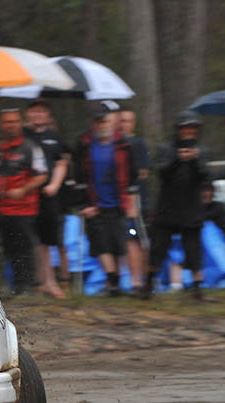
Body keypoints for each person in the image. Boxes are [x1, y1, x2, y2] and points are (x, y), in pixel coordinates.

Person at [0, 108, 47, 295]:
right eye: (7, 122)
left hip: (24, 208)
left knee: (24, 247)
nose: (11, 126)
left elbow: (41, 176)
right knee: (8, 249)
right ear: (2, 125)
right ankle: (14, 286)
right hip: (3, 208)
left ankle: (28, 286)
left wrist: (23, 189)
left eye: (15, 121)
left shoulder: (30, 147)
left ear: (21, 123)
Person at [143, 111, 210, 300]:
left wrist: (195, 159)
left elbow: (204, 176)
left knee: (193, 249)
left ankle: (198, 288)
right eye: (186, 128)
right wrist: (177, 159)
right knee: (158, 248)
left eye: (193, 128)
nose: (189, 132)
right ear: (179, 130)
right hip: (168, 206)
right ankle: (148, 283)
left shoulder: (202, 151)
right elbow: (162, 173)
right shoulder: (167, 149)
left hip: (191, 207)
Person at [74, 104, 136, 296]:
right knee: (101, 244)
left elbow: (132, 173)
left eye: (105, 121)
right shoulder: (85, 145)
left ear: (112, 121)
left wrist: (131, 199)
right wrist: (83, 204)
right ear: (93, 124)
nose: (102, 125)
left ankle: (115, 283)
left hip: (118, 201)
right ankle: (112, 280)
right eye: (98, 121)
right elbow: (78, 176)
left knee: (118, 244)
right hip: (95, 202)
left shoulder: (123, 145)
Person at [25, 99, 71, 298]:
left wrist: (55, 184)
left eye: (41, 112)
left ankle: (52, 281)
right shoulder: (22, 135)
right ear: (28, 114)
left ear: (48, 115)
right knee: (30, 239)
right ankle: (35, 281)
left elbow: (62, 163)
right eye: (34, 112)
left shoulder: (53, 137)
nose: (38, 116)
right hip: (26, 195)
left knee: (49, 240)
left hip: (48, 196)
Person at [119, 109, 151, 292]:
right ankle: (133, 280)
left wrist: (134, 198)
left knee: (140, 240)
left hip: (137, 199)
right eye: (122, 121)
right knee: (128, 241)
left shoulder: (137, 144)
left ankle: (143, 279)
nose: (125, 124)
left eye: (128, 121)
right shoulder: (117, 144)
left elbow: (142, 173)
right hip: (120, 200)